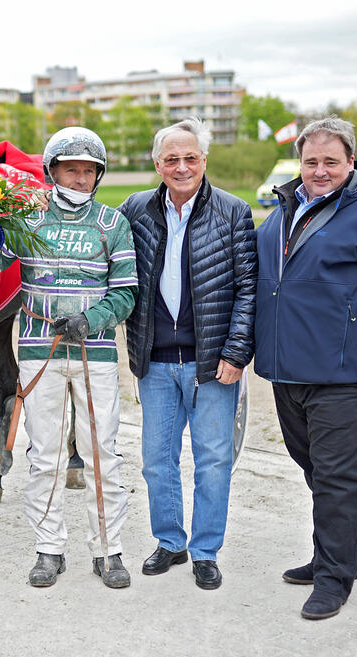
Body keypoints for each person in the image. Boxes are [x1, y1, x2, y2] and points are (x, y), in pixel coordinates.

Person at [254, 116, 357, 620]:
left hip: (347, 375)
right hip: (288, 372)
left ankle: (334, 578)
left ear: (351, 161)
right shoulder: (282, 212)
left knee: (342, 479)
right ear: (299, 164)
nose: (320, 170)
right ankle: (330, 555)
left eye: (331, 161)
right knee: (318, 473)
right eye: (311, 162)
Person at [0, 127, 138, 588]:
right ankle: (49, 549)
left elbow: (126, 294)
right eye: (70, 168)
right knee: (47, 456)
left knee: (102, 455)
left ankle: (108, 551)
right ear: (51, 170)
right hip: (40, 352)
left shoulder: (113, 224)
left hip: (94, 352)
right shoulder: (27, 220)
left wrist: (92, 319)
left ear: (98, 175)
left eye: (88, 170)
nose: (79, 178)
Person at [120, 117, 256, 590]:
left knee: (213, 461)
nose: (182, 167)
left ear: (204, 160)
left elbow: (247, 290)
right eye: (171, 159)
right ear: (158, 164)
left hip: (213, 364)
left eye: (190, 158)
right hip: (154, 362)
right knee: (157, 461)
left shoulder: (234, 212)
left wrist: (236, 353)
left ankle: (205, 551)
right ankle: (171, 542)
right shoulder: (134, 209)